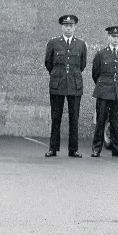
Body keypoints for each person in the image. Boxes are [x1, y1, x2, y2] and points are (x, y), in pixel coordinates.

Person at [44, 15, 87, 158]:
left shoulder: (81, 44)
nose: (68, 28)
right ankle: (53, 148)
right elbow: (48, 63)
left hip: (74, 85)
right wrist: (58, 75)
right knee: (56, 117)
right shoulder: (53, 43)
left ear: (75, 27)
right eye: (66, 25)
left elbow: (82, 65)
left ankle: (73, 149)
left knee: (74, 118)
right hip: (58, 84)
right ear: (62, 27)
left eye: (71, 25)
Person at [91, 26, 118, 158]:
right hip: (103, 91)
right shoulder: (101, 54)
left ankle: (116, 149)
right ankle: (96, 148)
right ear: (108, 37)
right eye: (113, 37)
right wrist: (104, 85)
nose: (115, 39)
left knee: (115, 122)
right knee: (101, 120)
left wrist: (117, 85)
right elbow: (95, 73)